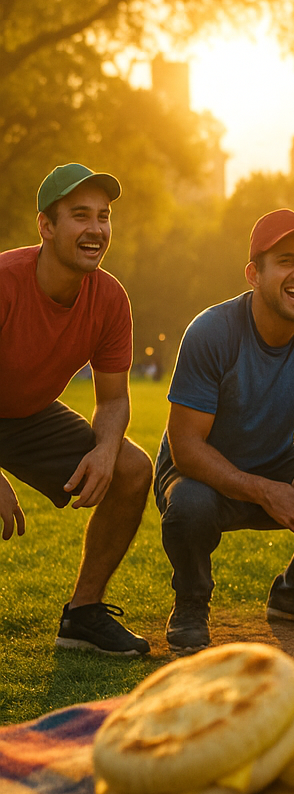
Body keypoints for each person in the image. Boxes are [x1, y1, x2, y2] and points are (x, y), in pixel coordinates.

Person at [155, 209, 294, 654]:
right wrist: (264, 491)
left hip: (274, 461)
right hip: (200, 472)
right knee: (188, 504)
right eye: (285, 261)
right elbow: (186, 448)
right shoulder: (211, 332)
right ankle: (190, 603)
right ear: (253, 275)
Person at [0, 164, 153, 655]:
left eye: (104, 217)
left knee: (132, 469)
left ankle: (83, 616)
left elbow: (112, 398)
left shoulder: (109, 298)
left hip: (28, 416)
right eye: (80, 215)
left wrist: (107, 449)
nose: (96, 229)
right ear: (46, 226)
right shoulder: (5, 282)